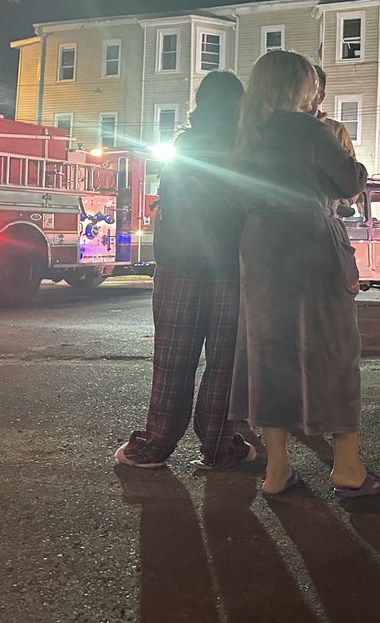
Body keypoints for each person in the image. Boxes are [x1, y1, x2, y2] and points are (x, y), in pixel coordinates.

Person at [229, 50, 380, 498]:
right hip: (310, 239)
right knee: (333, 349)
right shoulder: (310, 130)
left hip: (260, 243)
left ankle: (276, 470)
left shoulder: (248, 134)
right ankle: (347, 467)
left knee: (269, 350)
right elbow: (349, 181)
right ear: (298, 87)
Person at [115, 70, 257, 470]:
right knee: (224, 362)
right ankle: (219, 446)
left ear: (200, 103)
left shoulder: (184, 144)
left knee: (173, 360)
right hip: (230, 264)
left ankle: (156, 445)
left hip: (179, 262)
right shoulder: (246, 146)